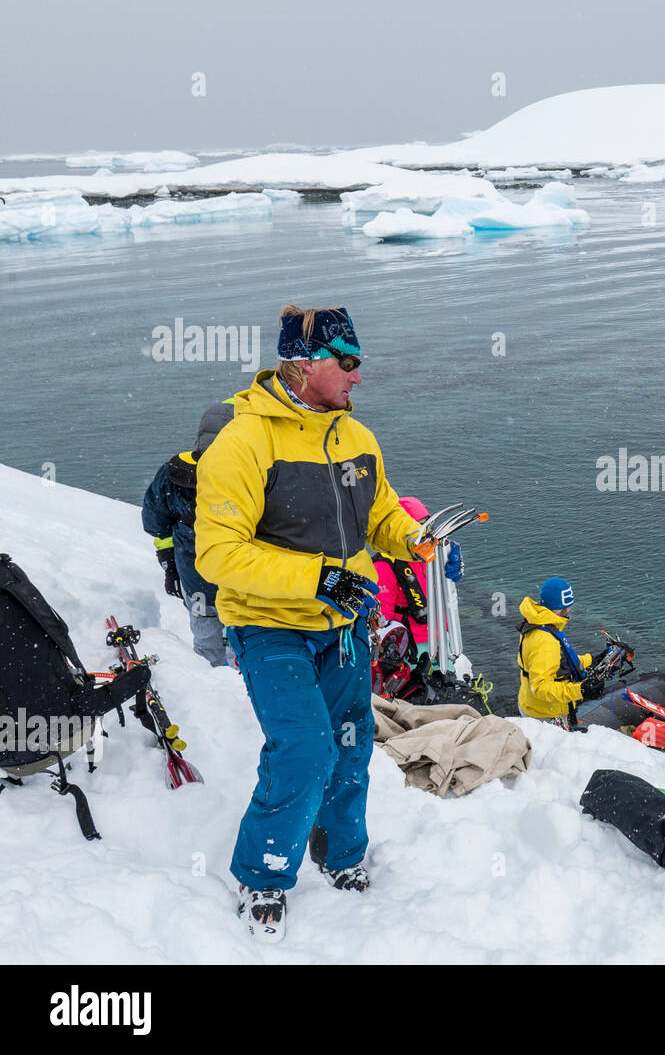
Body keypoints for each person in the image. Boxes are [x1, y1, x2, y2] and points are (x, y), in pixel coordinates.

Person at [195, 304, 438, 943]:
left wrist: (414, 538)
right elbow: (217, 553)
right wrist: (316, 577)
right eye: (348, 363)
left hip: (344, 627)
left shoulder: (356, 437)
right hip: (268, 626)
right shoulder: (243, 442)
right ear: (304, 364)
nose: (359, 377)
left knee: (352, 746)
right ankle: (265, 872)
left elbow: (379, 515)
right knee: (304, 749)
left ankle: (339, 850)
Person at [140, 399, 236, 667]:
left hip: (196, 579)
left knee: (207, 645)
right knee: (244, 645)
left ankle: (210, 687)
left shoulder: (173, 473)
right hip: (242, 581)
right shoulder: (248, 472)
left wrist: (169, 563)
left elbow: (155, 521)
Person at [371, 495, 462, 699]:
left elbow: (448, 593)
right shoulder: (384, 567)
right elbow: (380, 618)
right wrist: (390, 653)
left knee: (448, 695)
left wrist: (454, 560)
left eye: (427, 526)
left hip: (441, 644)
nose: (426, 534)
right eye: (419, 527)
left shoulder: (432, 559)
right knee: (419, 698)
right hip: (412, 651)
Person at [516, 577, 605, 730]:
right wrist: (579, 690)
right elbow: (540, 687)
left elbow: (558, 661)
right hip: (545, 715)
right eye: (564, 607)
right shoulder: (545, 640)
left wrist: (591, 660)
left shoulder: (536, 623)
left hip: (532, 704)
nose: (567, 611)